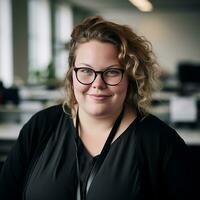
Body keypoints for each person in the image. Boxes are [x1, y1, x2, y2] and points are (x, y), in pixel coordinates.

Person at [0, 16, 197, 200]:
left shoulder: (160, 142)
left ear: (131, 77)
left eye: (111, 72)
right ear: (71, 74)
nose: (97, 84)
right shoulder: (41, 127)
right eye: (86, 70)